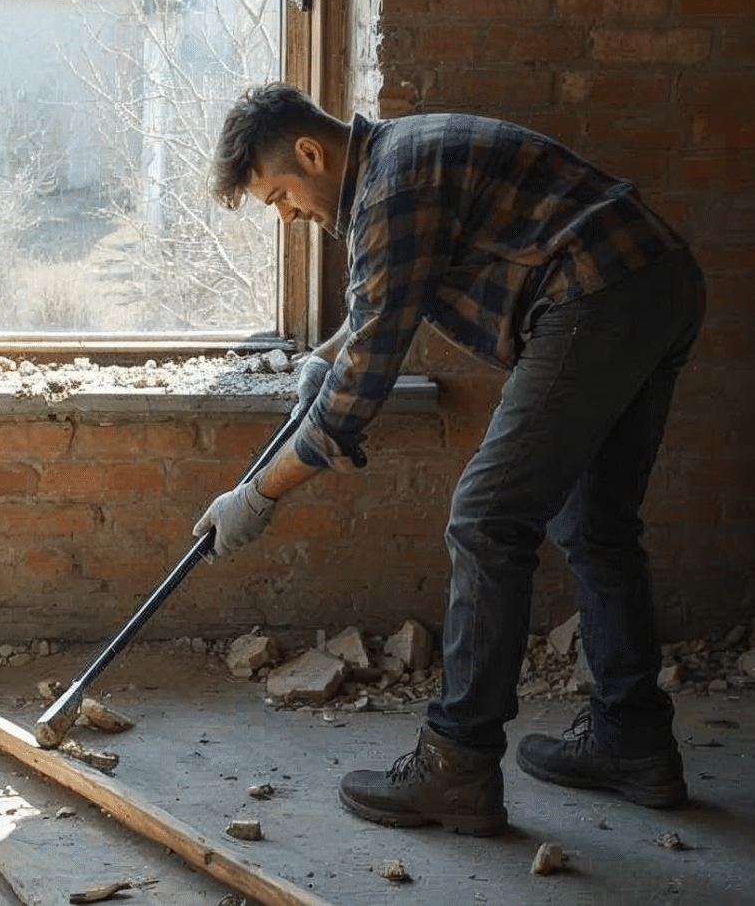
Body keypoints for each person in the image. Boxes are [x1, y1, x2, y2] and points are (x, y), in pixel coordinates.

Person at [191, 82, 703, 835]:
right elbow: (377, 317)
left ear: (310, 151)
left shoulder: (391, 189)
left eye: (280, 195)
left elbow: (358, 394)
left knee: (487, 518)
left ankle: (457, 764)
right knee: (594, 522)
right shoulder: (397, 162)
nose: (288, 215)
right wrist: (324, 359)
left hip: (597, 292)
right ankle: (635, 741)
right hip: (656, 281)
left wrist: (257, 495)